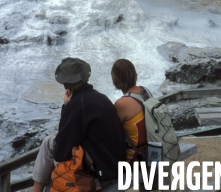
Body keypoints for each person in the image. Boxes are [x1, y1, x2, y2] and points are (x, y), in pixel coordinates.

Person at [32, 57, 126, 192]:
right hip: (115, 166)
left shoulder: (77, 105)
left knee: (49, 142)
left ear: (65, 84)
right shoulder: (102, 98)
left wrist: (66, 107)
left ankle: (36, 190)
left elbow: (60, 152)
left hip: (99, 173)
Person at [111, 59, 150, 163]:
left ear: (115, 79)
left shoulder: (121, 104)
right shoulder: (144, 91)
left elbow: (110, 133)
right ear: (134, 74)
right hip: (151, 151)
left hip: (134, 159)